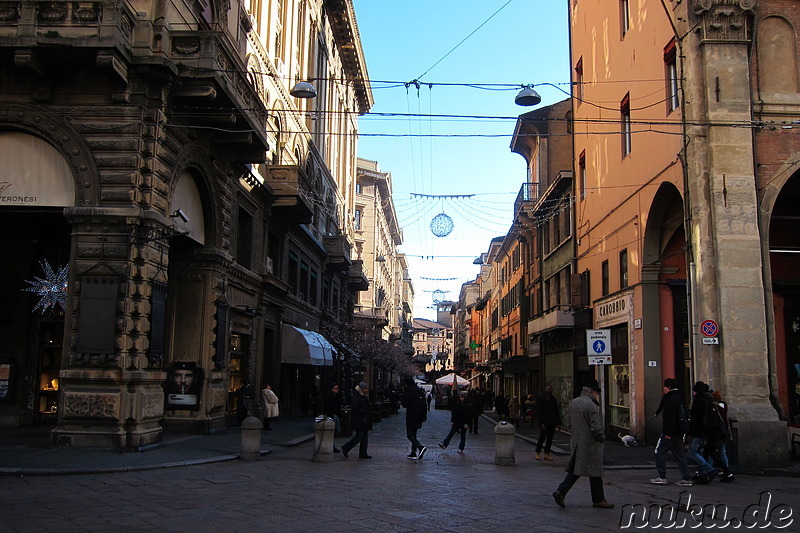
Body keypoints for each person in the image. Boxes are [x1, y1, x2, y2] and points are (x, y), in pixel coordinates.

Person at [552, 379, 614, 509]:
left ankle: (561, 491)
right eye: (596, 392)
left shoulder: (573, 403)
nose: (597, 395)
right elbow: (596, 427)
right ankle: (598, 500)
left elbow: (568, 423)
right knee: (595, 471)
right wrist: (601, 437)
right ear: (591, 391)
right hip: (591, 444)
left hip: (577, 442)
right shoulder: (591, 405)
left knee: (577, 470)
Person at [650, 378, 693, 486]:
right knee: (680, 455)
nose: (664, 388)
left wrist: (667, 433)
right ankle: (686, 477)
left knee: (659, 451)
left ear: (668, 388)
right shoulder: (679, 398)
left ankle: (662, 476)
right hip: (679, 431)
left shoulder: (669, 399)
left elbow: (670, 418)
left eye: (665, 387)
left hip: (671, 432)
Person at [687, 381, 717, 484]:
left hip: (698, 431)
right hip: (707, 431)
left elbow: (695, 419)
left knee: (693, 451)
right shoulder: (707, 400)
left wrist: (690, 432)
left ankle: (709, 470)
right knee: (700, 452)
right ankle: (703, 474)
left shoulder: (698, 401)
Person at [708, 390, 735, 482]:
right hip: (724, 431)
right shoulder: (723, 405)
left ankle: (710, 468)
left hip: (717, 432)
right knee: (722, 451)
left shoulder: (714, 406)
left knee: (711, 451)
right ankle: (725, 469)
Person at [341, 381, 372, 459]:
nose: (367, 390)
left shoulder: (363, 396)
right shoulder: (357, 396)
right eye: (365, 389)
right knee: (359, 436)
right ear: (362, 389)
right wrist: (364, 411)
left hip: (364, 420)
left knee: (364, 437)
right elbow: (355, 408)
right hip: (359, 420)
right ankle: (346, 447)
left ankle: (363, 453)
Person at [401, 378, 428, 460]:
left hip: (411, 414)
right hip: (419, 416)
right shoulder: (418, 390)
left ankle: (420, 447)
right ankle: (413, 452)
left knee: (409, 434)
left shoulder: (409, 390)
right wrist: (424, 416)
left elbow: (404, 404)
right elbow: (424, 403)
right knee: (414, 433)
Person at [536, 385, 562, 461]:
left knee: (550, 439)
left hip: (552, 422)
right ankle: (538, 452)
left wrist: (558, 423)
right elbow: (539, 411)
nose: (549, 390)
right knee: (542, 437)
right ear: (545, 389)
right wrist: (541, 422)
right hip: (544, 422)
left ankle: (547, 453)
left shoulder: (553, 399)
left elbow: (556, 411)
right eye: (548, 389)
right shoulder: (540, 399)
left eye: (550, 389)